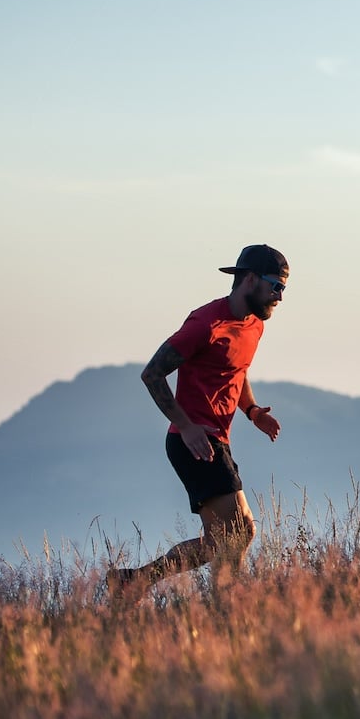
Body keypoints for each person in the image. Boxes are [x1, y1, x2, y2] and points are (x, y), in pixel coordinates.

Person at [107, 244, 289, 603]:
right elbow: (152, 374)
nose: (279, 297)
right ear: (250, 280)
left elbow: (236, 371)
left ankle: (135, 582)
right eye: (275, 286)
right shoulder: (205, 324)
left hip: (216, 439)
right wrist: (187, 426)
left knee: (223, 540)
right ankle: (226, 607)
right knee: (239, 532)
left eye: (283, 288)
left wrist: (252, 411)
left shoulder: (253, 325)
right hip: (193, 441)